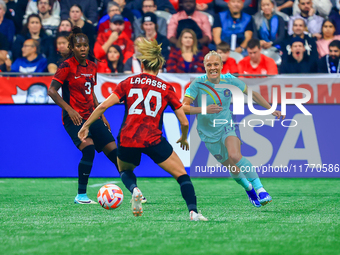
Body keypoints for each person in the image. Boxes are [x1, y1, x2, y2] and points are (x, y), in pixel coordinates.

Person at [78, 38, 208, 221]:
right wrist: (184, 137)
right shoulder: (167, 88)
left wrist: (86, 126)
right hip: (152, 138)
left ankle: (135, 190)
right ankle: (193, 212)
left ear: (141, 64)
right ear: (159, 66)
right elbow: (184, 122)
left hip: (127, 137)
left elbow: (102, 107)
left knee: (125, 171)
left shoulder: (128, 83)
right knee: (182, 175)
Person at [182, 50, 283, 207]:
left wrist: (270, 109)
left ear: (222, 65)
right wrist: (204, 109)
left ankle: (261, 189)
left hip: (227, 125)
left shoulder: (230, 80)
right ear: (204, 66)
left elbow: (253, 94)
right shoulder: (197, 84)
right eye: (209, 65)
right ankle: (249, 189)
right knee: (231, 165)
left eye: (216, 64)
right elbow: (184, 107)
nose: (213, 67)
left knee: (235, 155)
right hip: (207, 133)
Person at [47, 26, 121, 205]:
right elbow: (52, 91)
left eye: (85, 46)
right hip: (74, 119)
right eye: (79, 46)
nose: (82, 49)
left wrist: (101, 114)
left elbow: (91, 93)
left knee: (115, 154)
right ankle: (81, 195)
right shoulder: (66, 66)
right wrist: (70, 110)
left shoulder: (92, 66)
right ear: (72, 48)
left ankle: (135, 191)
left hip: (92, 116)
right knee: (88, 150)